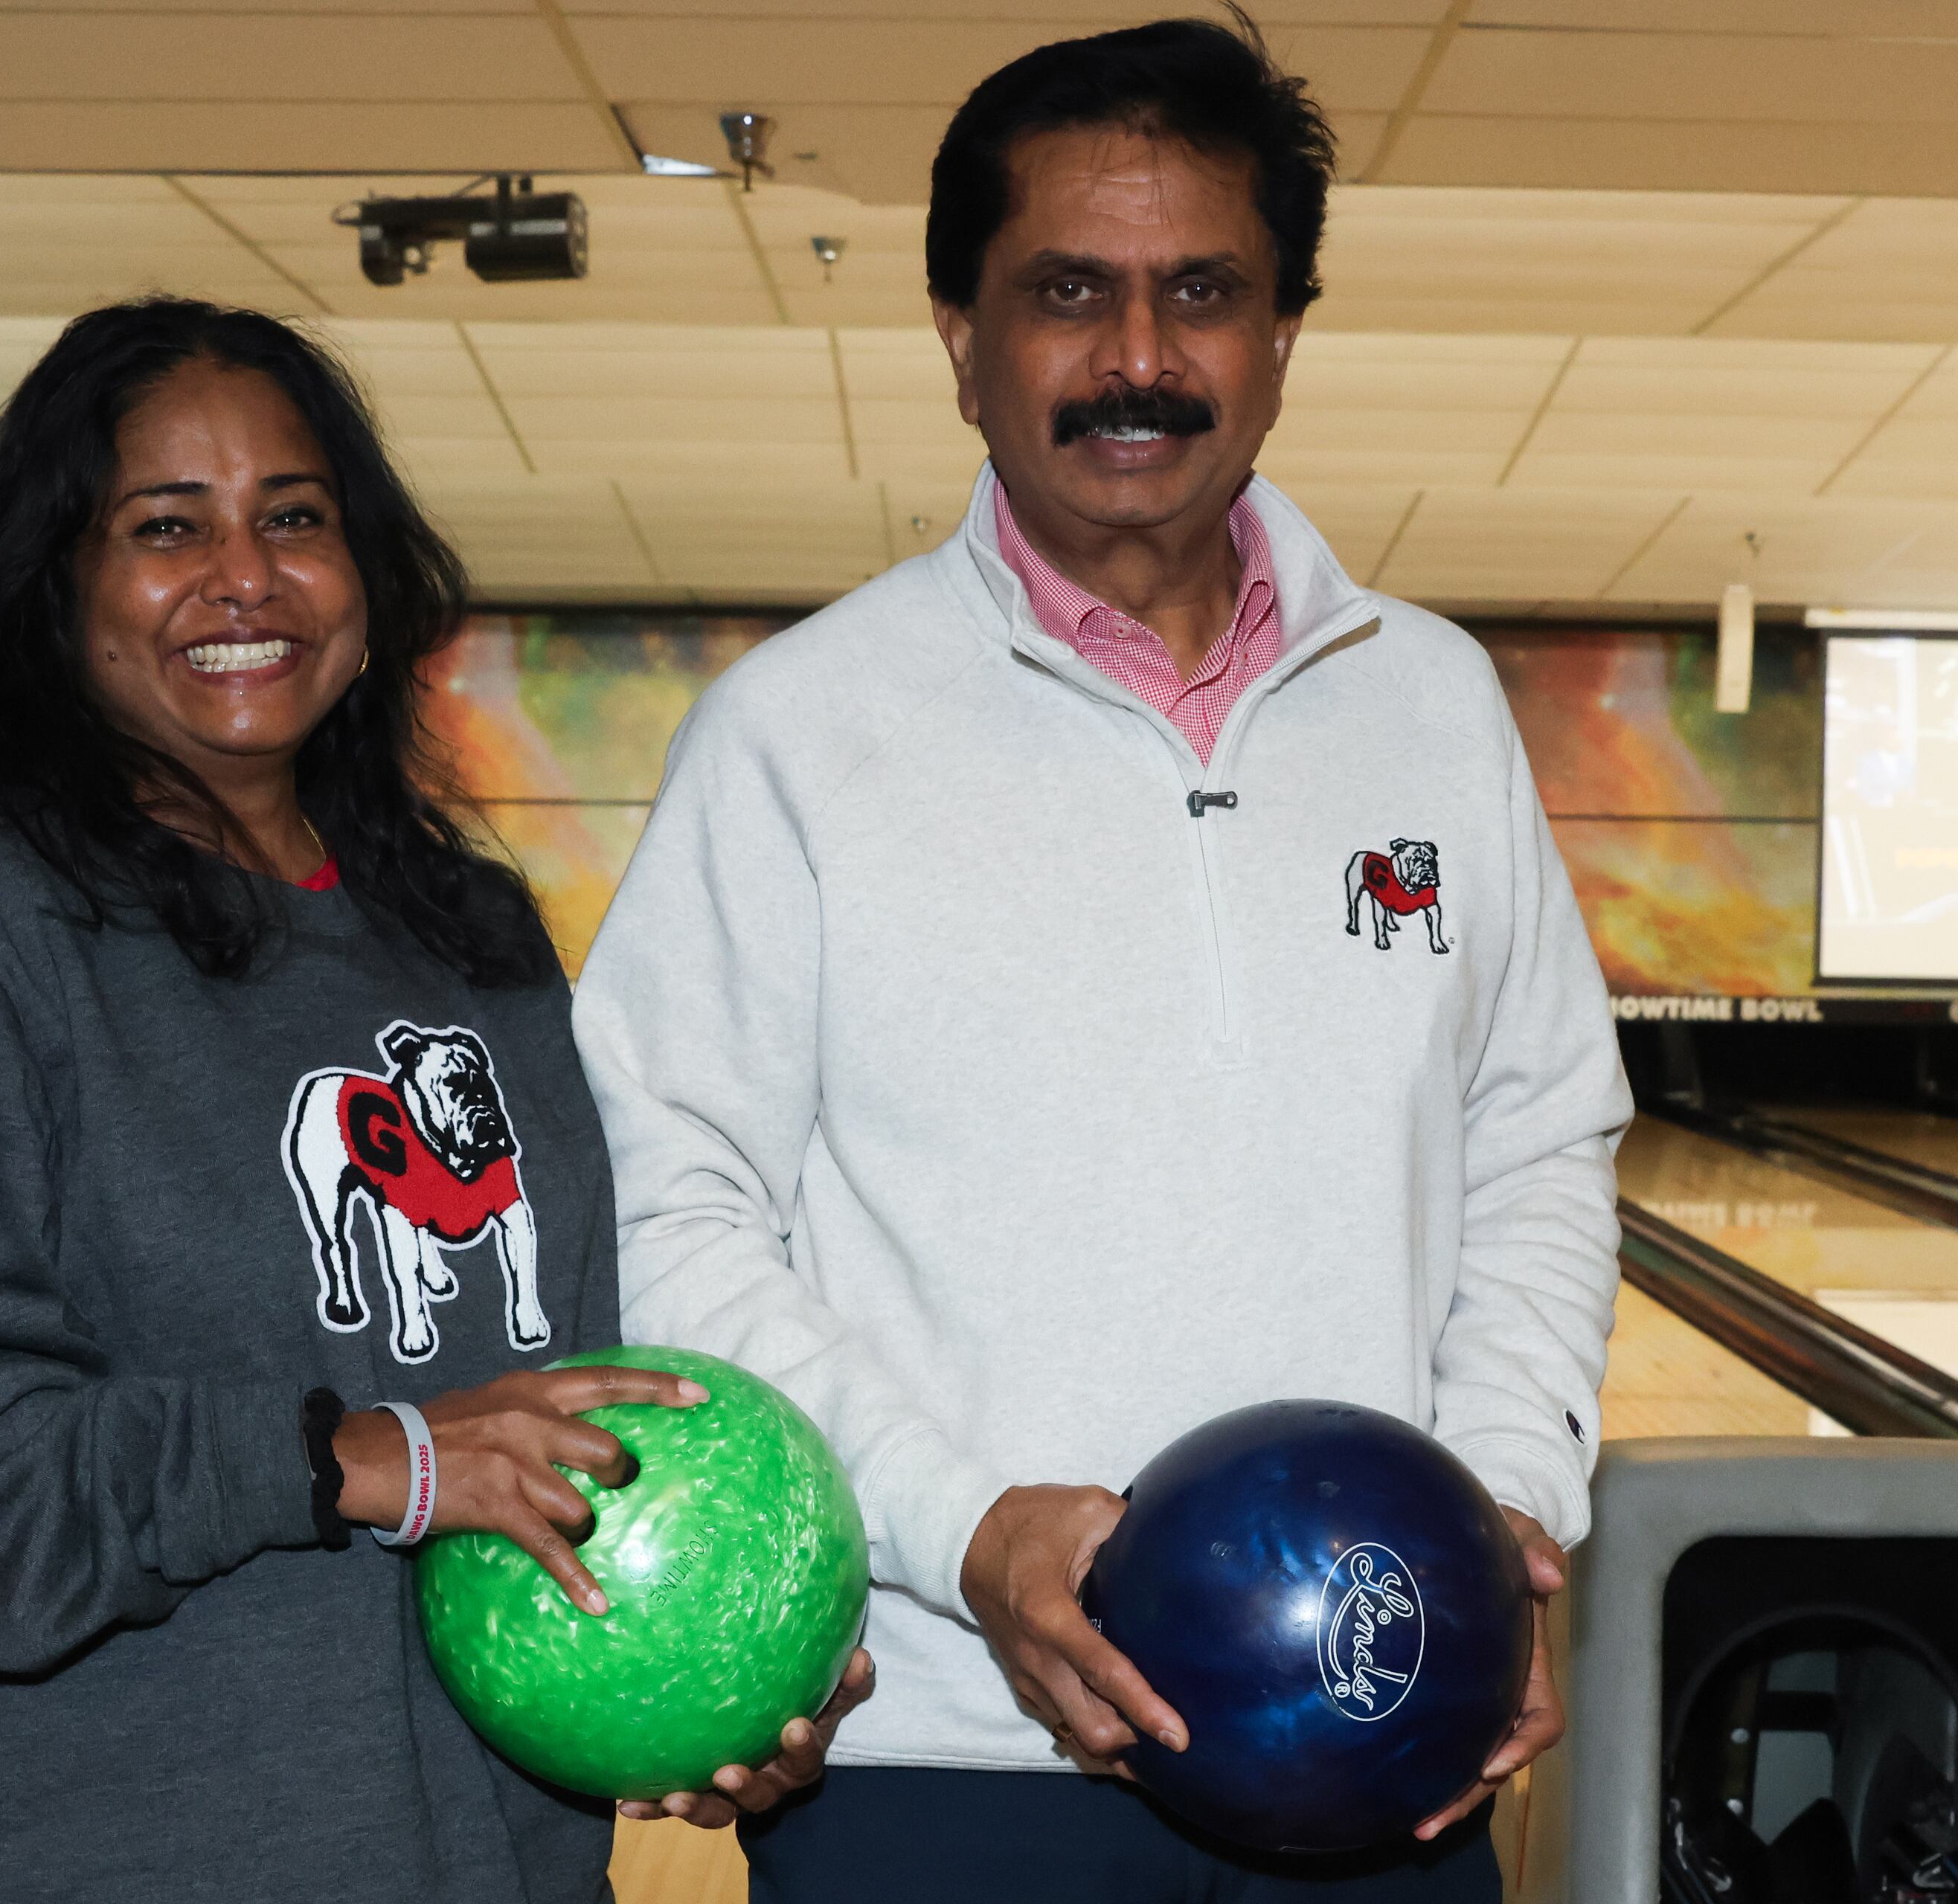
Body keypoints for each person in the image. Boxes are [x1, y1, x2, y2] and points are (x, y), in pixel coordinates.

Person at [572, 17, 1628, 1902]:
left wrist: (1500, 1502)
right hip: (943, 1751)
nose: (1138, 357)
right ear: (960, 338)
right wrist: (962, 1524)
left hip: (1376, 1740)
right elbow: (674, 1208)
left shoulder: (1434, 709)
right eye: (1069, 292)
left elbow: (1537, 1137)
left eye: (1201, 292)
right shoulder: (798, 732)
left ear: (1281, 338)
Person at [0, 298, 865, 1904]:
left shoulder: (464, 935)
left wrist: (720, 1660)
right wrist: (353, 1459)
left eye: (293, 516)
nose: (245, 576)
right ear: (56, 580)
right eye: (163, 526)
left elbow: (569, 1401)